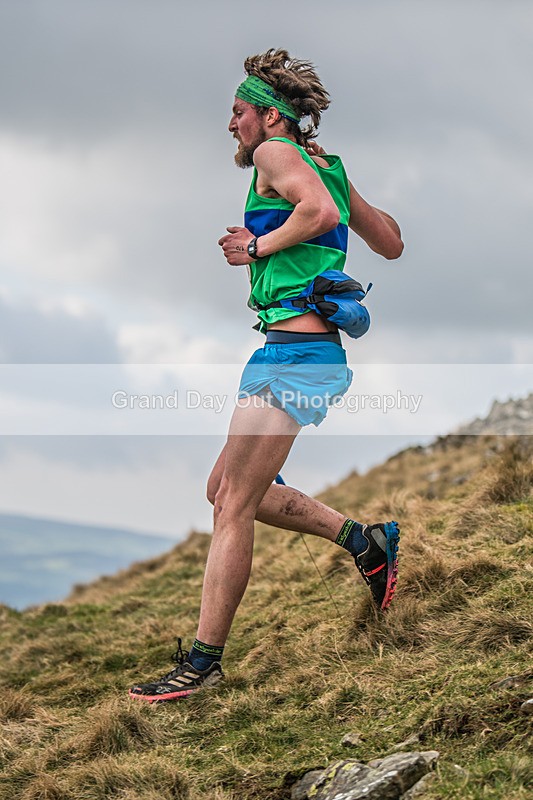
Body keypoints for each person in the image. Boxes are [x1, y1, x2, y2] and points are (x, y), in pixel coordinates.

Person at [129, 49, 404, 703]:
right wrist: (307, 213)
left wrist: (255, 246)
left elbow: (321, 216)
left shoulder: (274, 155)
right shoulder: (325, 165)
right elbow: (389, 241)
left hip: (297, 358)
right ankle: (363, 541)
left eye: (237, 112)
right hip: (288, 351)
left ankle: (202, 664)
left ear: (269, 114)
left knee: (234, 506)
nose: (231, 125)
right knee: (222, 487)